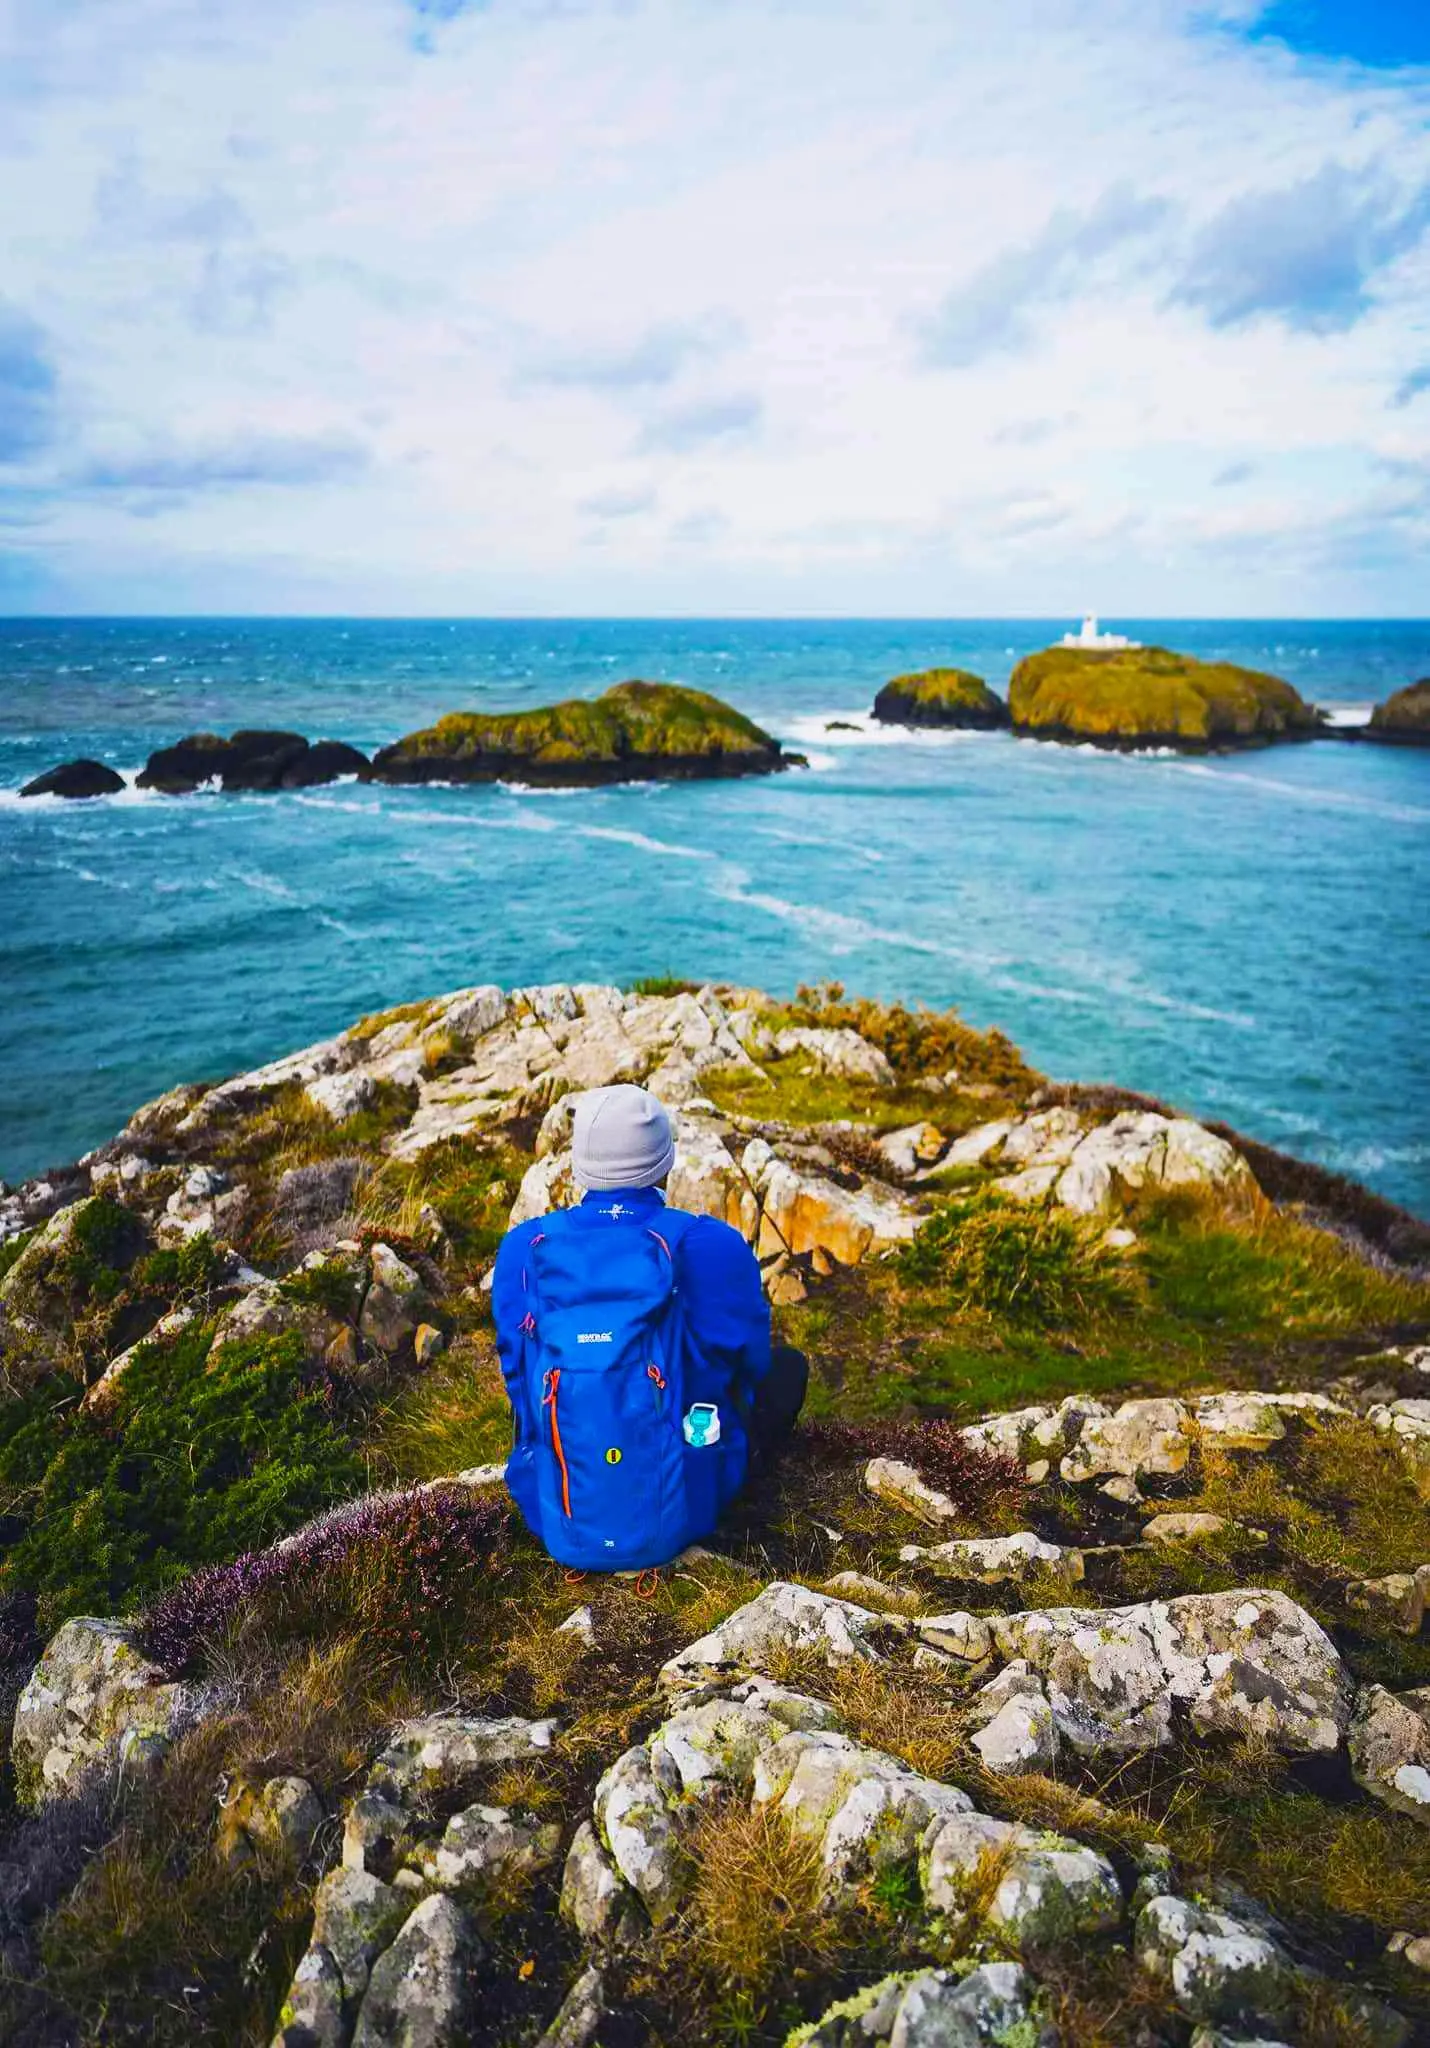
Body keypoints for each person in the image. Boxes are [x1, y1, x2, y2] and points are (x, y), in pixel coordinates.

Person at [493, 1082, 807, 1570]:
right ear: (665, 1163)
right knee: (790, 1370)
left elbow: (516, 1376)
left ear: (578, 1167)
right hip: (689, 1507)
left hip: (555, 1510)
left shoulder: (524, 1247)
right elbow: (752, 1363)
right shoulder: (715, 1244)